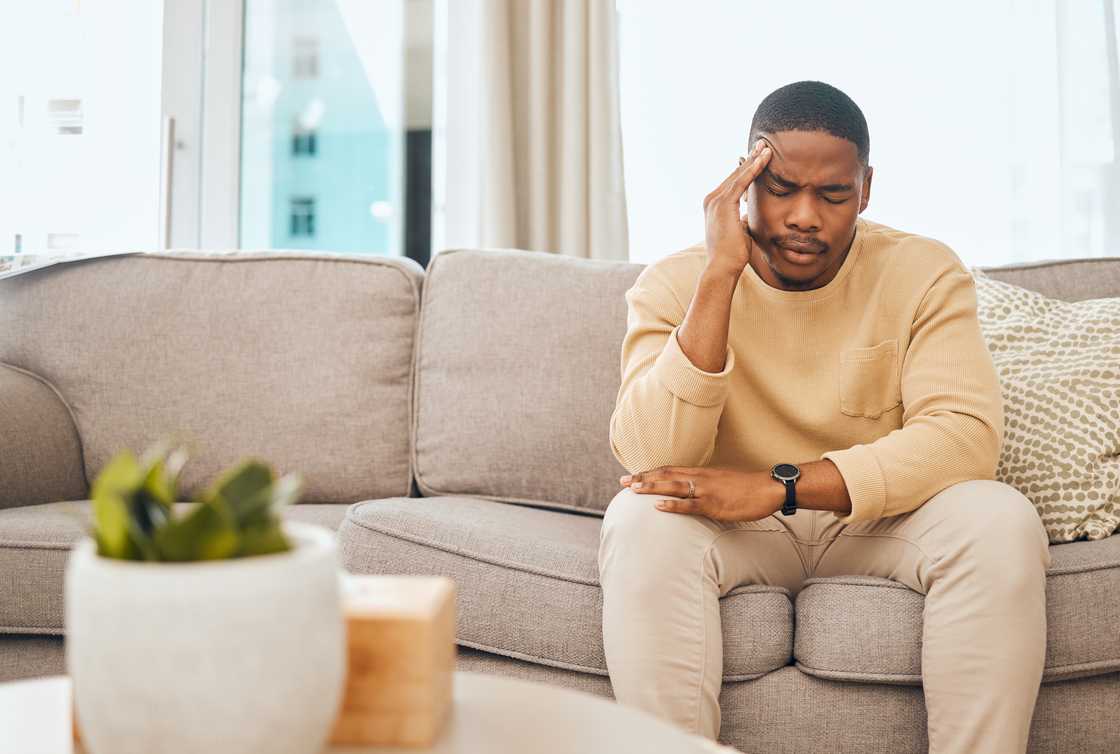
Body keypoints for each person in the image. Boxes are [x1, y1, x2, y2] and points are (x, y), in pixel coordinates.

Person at [599, 80, 1051, 754]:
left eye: (833, 196)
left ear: (865, 190)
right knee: (638, 518)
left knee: (999, 516)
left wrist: (780, 484)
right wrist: (720, 277)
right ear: (742, 183)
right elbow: (648, 454)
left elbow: (964, 438)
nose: (804, 216)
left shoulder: (923, 272)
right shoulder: (675, 284)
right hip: (739, 530)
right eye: (780, 189)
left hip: (875, 522)